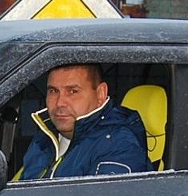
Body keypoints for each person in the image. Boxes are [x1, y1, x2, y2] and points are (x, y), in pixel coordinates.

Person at [18, 64, 151, 180]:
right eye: (53, 91)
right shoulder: (45, 138)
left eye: (73, 91)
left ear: (100, 94)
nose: (59, 103)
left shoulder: (118, 145)